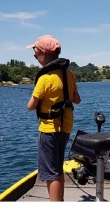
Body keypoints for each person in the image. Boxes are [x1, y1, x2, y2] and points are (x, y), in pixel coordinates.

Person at [26, 35, 81, 201]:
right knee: (57, 168)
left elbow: (31, 106)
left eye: (35, 54)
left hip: (49, 129)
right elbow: (77, 100)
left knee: (51, 173)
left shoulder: (44, 78)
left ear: (44, 54)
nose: (35, 57)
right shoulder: (69, 75)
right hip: (65, 128)